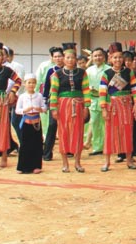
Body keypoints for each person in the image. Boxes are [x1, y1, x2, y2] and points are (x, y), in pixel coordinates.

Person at [49, 44, 91, 173]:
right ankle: (65, 163)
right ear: (63, 59)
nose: (70, 60)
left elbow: (86, 90)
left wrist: (86, 106)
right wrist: (54, 109)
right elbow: (54, 91)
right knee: (63, 132)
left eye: (73, 58)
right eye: (67, 57)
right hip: (63, 106)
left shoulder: (82, 73)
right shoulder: (57, 74)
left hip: (78, 105)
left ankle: (78, 163)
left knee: (78, 132)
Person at [100, 42, 136, 171]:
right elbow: (102, 92)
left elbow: (135, 89)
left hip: (126, 105)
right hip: (113, 107)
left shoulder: (129, 72)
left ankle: (129, 160)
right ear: (110, 58)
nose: (118, 60)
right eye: (115, 57)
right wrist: (104, 109)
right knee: (110, 132)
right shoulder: (106, 74)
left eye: (120, 57)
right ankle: (107, 162)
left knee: (127, 131)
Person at [15, 73, 45, 174]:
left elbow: (45, 108)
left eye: (33, 83)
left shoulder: (39, 96)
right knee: (24, 145)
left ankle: (36, 166)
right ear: (25, 84)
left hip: (36, 124)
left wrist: (40, 109)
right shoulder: (22, 96)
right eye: (29, 83)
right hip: (26, 123)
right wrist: (25, 110)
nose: (31, 85)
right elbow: (17, 110)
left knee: (37, 144)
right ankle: (22, 167)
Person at [40, 46, 65, 161]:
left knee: (66, 126)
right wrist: (44, 101)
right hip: (54, 101)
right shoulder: (51, 71)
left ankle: (68, 150)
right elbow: (46, 87)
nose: (58, 58)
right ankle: (47, 153)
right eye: (55, 56)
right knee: (52, 125)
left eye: (60, 56)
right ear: (52, 58)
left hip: (67, 101)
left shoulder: (69, 69)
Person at [85, 47, 108, 155]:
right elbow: (85, 85)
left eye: (100, 55)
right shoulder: (89, 70)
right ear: (92, 57)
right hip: (93, 100)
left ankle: (106, 146)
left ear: (104, 57)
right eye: (95, 56)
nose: (97, 58)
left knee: (105, 124)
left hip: (106, 100)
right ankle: (97, 147)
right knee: (94, 122)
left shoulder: (108, 69)